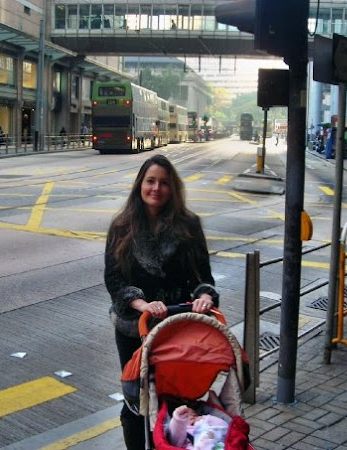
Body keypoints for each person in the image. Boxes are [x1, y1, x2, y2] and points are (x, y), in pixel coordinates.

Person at [104, 155, 219, 450]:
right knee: (135, 399)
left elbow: (202, 277)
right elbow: (113, 280)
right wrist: (141, 304)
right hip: (134, 329)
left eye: (164, 182)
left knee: (173, 400)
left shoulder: (189, 226)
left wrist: (205, 296)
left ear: (173, 188)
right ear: (140, 185)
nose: (156, 188)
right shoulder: (122, 226)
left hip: (176, 328)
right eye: (150, 181)